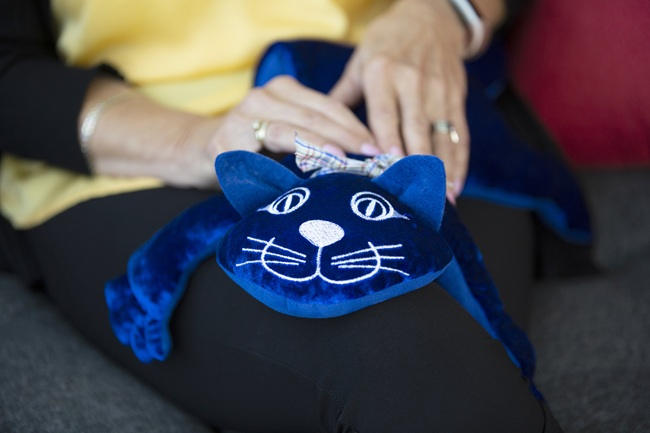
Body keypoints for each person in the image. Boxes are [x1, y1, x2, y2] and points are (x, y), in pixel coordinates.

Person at [1, 0, 561, 431]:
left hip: (400, 113)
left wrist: (443, 13)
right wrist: (195, 139)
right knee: (407, 360)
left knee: (452, 362)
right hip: (135, 148)